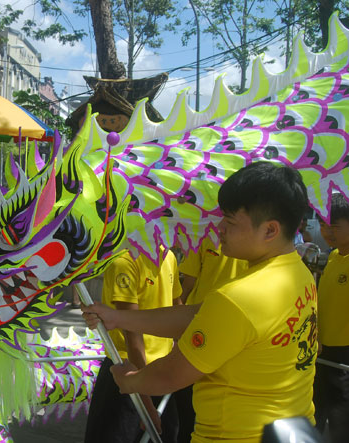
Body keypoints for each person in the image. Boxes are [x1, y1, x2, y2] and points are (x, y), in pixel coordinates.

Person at [83, 162, 317, 442]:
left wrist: (128, 380)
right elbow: (201, 315)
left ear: (270, 230)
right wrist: (120, 318)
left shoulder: (240, 297)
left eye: (230, 222)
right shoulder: (298, 272)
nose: (219, 228)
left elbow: (171, 375)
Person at [85, 249, 181, 443]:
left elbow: (178, 309)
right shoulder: (124, 261)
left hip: (161, 373)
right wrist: (145, 403)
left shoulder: (169, 257)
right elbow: (132, 337)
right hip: (126, 371)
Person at [174, 237, 248, 442]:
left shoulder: (253, 243)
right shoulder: (202, 237)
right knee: (187, 397)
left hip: (232, 330)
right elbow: (187, 285)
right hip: (197, 327)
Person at [314, 192, 349, 442]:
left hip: (344, 357)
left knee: (341, 421)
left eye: (334, 226)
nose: (327, 232)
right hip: (321, 351)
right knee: (316, 412)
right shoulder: (334, 256)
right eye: (324, 226)